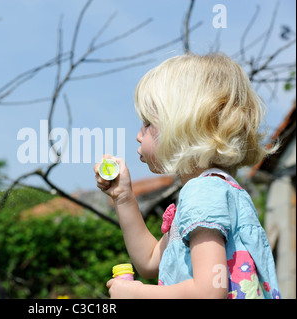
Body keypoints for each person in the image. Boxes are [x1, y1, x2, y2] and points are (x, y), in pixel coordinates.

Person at [94, 53, 281, 299]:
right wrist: (123, 197)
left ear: (183, 125)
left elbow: (209, 292)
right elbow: (150, 261)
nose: (139, 135)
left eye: (147, 124)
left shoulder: (202, 193)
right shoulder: (218, 191)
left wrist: (137, 295)